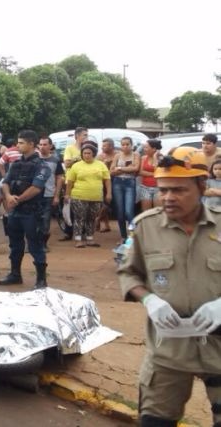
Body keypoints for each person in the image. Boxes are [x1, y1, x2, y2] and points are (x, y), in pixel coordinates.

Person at [117, 146, 221, 426]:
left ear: (202, 186)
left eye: (178, 190)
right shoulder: (144, 227)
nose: (167, 198)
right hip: (168, 350)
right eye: (163, 190)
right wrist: (150, 300)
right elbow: (129, 273)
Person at [0, 130, 52, 288]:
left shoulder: (42, 165)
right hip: (16, 212)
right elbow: (5, 182)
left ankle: (41, 279)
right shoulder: (15, 164)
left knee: (35, 245)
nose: (18, 145)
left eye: (21, 143)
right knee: (15, 244)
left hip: (32, 211)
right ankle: (15, 274)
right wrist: (8, 196)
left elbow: (36, 188)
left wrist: (18, 199)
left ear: (31, 144)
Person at [64, 140, 111, 248]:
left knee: (92, 218)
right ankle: (78, 239)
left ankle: (90, 238)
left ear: (93, 154)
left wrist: (109, 193)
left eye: (89, 153)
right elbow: (70, 182)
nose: (86, 155)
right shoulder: (76, 166)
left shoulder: (101, 165)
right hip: (79, 196)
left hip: (96, 197)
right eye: (84, 153)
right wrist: (67, 195)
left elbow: (107, 180)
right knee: (79, 217)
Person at [110, 136, 141, 244]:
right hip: (117, 183)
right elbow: (111, 171)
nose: (125, 146)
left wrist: (120, 168)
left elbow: (135, 168)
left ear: (131, 145)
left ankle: (133, 236)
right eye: (123, 144)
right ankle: (123, 236)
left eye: (127, 144)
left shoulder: (136, 155)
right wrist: (127, 169)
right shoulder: (117, 155)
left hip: (130, 183)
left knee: (129, 211)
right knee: (120, 212)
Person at [37, 136, 65, 252]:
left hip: (48, 194)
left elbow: (59, 178)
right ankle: (32, 244)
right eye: (41, 144)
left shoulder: (55, 160)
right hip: (33, 194)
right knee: (32, 221)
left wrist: (57, 195)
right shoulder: (34, 159)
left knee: (45, 220)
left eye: (45, 144)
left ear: (50, 146)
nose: (42, 147)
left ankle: (43, 244)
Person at [95, 138, 116, 233]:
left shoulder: (117, 155)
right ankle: (106, 224)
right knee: (103, 202)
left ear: (111, 146)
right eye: (102, 146)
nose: (102, 148)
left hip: (115, 181)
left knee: (108, 202)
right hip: (102, 182)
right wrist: (104, 163)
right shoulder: (100, 156)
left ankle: (98, 218)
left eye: (105, 146)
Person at [139, 139, 163, 211]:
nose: (144, 149)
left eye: (146, 147)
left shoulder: (161, 158)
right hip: (145, 188)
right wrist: (154, 174)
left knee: (158, 211)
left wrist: (155, 157)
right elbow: (141, 172)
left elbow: (159, 172)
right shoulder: (143, 158)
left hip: (158, 188)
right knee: (146, 212)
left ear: (154, 149)